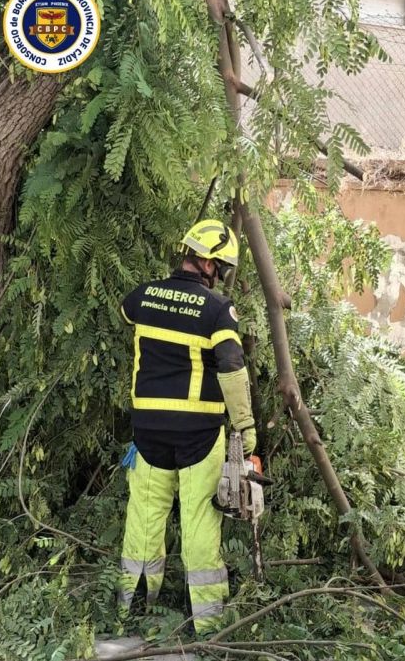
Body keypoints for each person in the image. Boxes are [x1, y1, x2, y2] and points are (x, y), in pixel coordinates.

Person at [117, 219, 256, 634]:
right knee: (198, 521)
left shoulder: (143, 296)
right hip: (198, 433)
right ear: (211, 263)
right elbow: (231, 365)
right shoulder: (217, 309)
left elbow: (126, 312)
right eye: (223, 266)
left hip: (148, 432)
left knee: (144, 517)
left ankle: (132, 611)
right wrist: (246, 428)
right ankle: (209, 626)